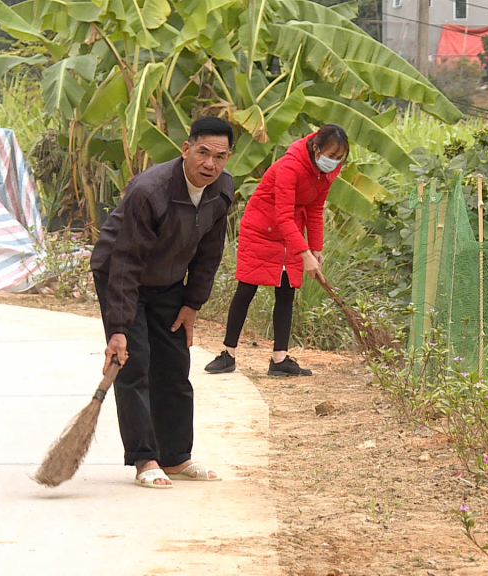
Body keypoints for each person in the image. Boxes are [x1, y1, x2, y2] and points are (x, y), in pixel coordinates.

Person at [90, 116, 235, 489]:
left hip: (169, 283)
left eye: (219, 157)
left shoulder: (221, 192)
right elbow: (125, 260)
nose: (209, 164)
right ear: (186, 149)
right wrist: (119, 328)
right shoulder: (149, 191)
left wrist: (192, 304)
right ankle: (144, 458)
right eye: (202, 152)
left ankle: (175, 456)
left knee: (174, 366)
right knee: (135, 366)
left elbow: (209, 253)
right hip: (123, 278)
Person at [204, 124, 349, 377]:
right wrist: (303, 253)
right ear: (316, 148)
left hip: (290, 231)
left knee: (286, 292)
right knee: (247, 288)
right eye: (331, 156)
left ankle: (279, 360)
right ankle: (228, 354)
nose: (334, 162)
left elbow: (315, 209)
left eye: (339, 159)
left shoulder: (326, 172)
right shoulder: (289, 166)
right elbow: (282, 215)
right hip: (261, 227)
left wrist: (315, 249)